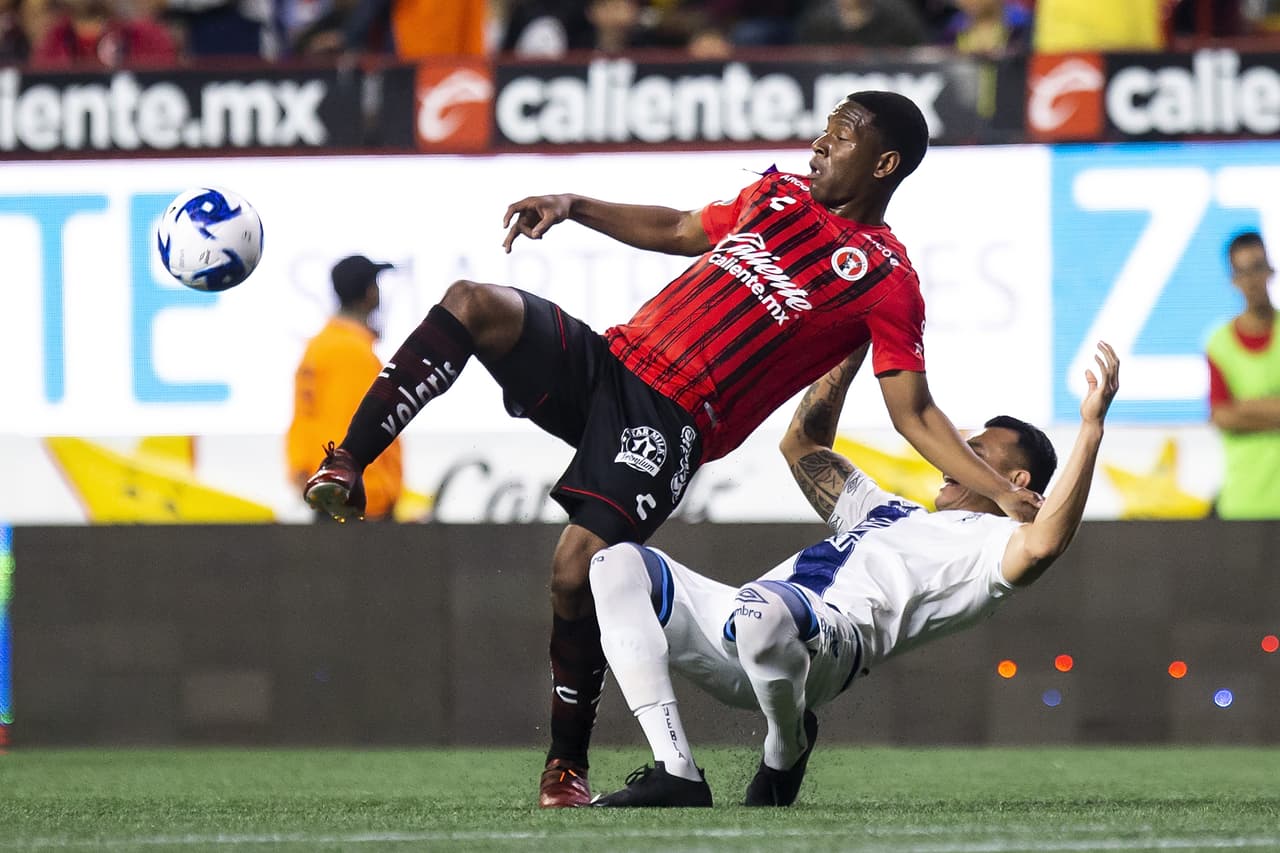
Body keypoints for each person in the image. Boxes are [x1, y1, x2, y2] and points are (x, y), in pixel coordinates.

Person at [302, 91, 1043, 808]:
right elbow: (681, 227)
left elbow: (912, 410)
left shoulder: (887, 279)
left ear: (884, 165)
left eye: (842, 134)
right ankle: (348, 461)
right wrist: (572, 205)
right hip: (612, 363)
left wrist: (1002, 491)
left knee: (575, 568)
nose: (821, 143)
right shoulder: (776, 196)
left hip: (669, 420)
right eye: (825, 128)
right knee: (473, 302)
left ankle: (567, 762)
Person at [588, 340, 1118, 807]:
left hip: (824, 646)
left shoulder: (995, 544)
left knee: (763, 608)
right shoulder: (890, 510)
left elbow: (1047, 540)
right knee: (615, 562)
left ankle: (786, 743)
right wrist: (846, 342)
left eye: (973, 451)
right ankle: (676, 770)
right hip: (746, 622)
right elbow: (803, 446)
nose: (952, 457)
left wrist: (1091, 427)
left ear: (1016, 478)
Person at [287, 256, 403, 522]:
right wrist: (374, 496)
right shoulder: (353, 354)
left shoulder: (318, 346)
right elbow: (361, 429)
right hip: (359, 502)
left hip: (330, 495)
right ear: (369, 292)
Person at [1206, 232, 1280, 519]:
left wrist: (1246, 408)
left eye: (1258, 267)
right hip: (1242, 503)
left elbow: (1231, 413)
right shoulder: (1219, 343)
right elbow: (1222, 416)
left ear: (1270, 270)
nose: (1251, 280)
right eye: (1242, 271)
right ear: (1233, 279)